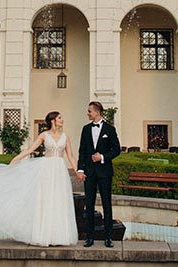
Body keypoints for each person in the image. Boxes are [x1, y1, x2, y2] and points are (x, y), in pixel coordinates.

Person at [0, 111, 80, 246]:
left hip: (60, 172)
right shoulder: (44, 135)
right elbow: (30, 149)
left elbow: (71, 156)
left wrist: (78, 171)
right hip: (46, 170)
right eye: (59, 118)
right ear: (52, 121)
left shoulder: (65, 136)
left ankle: (59, 236)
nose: (62, 120)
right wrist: (16, 159)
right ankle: (43, 235)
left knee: (59, 200)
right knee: (45, 201)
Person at [76, 101, 121, 247]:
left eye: (89, 111)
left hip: (105, 173)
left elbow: (116, 150)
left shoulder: (110, 129)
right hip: (89, 173)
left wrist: (102, 157)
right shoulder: (85, 129)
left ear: (97, 112)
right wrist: (80, 169)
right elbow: (82, 151)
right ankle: (89, 237)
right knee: (89, 205)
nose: (88, 113)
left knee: (107, 204)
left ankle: (108, 237)